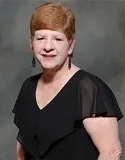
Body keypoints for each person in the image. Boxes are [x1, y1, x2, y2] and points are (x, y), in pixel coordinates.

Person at [12, 2, 124, 160]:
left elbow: (111, 152)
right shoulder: (28, 87)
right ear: (31, 44)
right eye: (41, 38)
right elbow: (22, 148)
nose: (48, 46)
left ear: (70, 46)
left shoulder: (89, 88)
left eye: (58, 39)